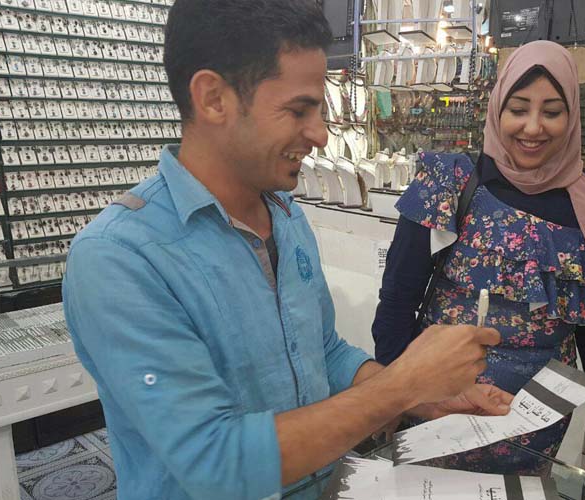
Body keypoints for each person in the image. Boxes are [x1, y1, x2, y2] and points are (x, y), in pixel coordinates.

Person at [61, 1, 513, 499]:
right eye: (298, 110)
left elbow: (323, 353)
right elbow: (214, 461)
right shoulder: (120, 258)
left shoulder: (286, 216)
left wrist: (422, 396)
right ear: (213, 99)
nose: (319, 134)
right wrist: (401, 385)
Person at [372, 41, 585, 476]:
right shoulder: (449, 181)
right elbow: (398, 298)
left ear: (572, 116)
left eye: (552, 111)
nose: (533, 127)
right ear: (497, 108)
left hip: (537, 421)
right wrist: (389, 394)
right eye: (519, 109)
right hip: (437, 405)